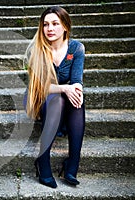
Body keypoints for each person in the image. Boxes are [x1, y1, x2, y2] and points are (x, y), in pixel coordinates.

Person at [23, 6, 85, 188]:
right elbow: (39, 87)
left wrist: (75, 89)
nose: (49, 29)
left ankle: (72, 165)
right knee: (58, 99)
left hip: (64, 99)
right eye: (46, 24)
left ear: (65, 26)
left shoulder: (76, 48)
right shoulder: (38, 49)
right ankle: (43, 161)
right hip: (39, 98)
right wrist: (64, 88)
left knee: (76, 100)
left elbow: (76, 80)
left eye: (55, 24)